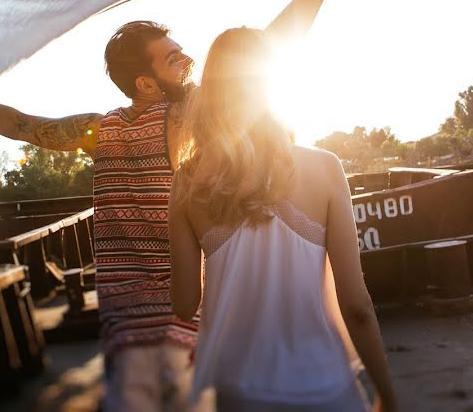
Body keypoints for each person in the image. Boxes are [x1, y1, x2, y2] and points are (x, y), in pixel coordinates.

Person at [0, 0, 345, 412]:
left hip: (125, 333)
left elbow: (19, 124)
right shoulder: (186, 116)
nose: (189, 65)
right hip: (184, 328)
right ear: (146, 83)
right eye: (176, 60)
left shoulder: (98, 130)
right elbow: (266, 47)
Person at [168, 28, 397, 411]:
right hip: (326, 387)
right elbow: (356, 305)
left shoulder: (187, 181)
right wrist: (386, 394)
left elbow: (184, 302)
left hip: (241, 391)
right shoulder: (325, 168)